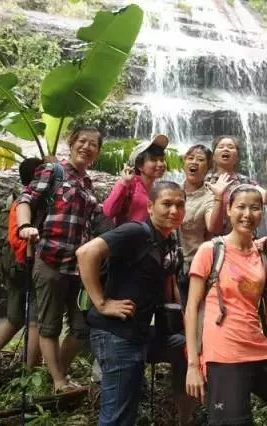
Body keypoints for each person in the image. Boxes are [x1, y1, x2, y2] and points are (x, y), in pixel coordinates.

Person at [184, 185, 267, 426]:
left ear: (262, 212)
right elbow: (192, 308)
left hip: (259, 350)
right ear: (228, 210)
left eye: (255, 208)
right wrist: (193, 364)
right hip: (224, 355)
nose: (247, 214)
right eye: (241, 207)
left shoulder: (264, 256)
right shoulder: (210, 251)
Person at [77, 181, 194, 425]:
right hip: (116, 334)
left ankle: (186, 416)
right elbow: (86, 253)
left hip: (141, 333)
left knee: (185, 348)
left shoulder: (168, 242)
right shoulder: (136, 232)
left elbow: (168, 283)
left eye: (180, 205)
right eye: (166, 204)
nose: (174, 210)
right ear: (150, 207)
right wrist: (102, 303)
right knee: (119, 416)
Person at [16, 126, 102, 392]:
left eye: (93, 144)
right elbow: (25, 198)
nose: (86, 147)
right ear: (71, 143)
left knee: (81, 327)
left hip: (78, 267)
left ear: (97, 152)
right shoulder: (53, 171)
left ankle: (56, 374)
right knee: (50, 326)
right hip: (50, 259)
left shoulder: (88, 184)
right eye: (82, 141)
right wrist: (25, 226)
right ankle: (58, 382)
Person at [0, 158, 44, 386]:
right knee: (36, 322)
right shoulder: (37, 201)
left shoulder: (15, 199)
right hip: (30, 266)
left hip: (12, 267)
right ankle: (30, 377)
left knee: (14, 319)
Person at [180, 144, 231, 302]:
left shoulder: (209, 197)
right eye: (190, 158)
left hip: (193, 266)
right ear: (184, 163)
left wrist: (219, 198)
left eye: (200, 159)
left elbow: (213, 227)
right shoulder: (172, 190)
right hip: (167, 263)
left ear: (208, 167)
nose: (194, 162)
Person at [204, 136, 267, 233]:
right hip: (215, 238)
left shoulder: (244, 181)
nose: (226, 149)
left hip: (244, 236)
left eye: (231, 147)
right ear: (213, 157)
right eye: (221, 147)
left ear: (237, 157)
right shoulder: (206, 182)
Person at [102, 135, 168, 224]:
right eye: (153, 160)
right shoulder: (129, 184)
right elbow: (108, 211)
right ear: (140, 165)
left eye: (162, 160)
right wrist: (124, 183)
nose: (160, 164)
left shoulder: (157, 189)